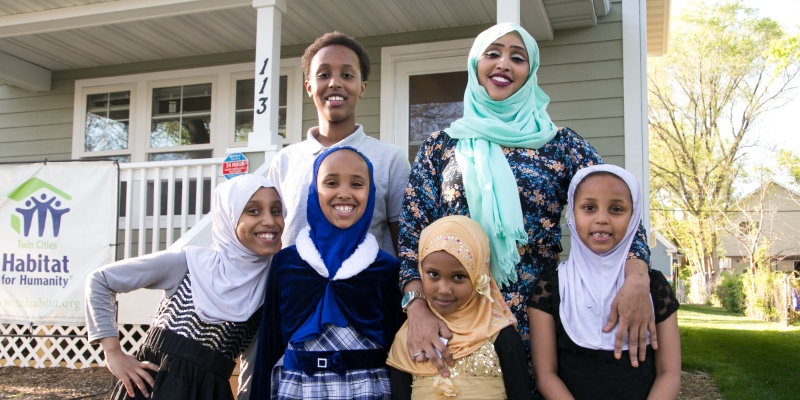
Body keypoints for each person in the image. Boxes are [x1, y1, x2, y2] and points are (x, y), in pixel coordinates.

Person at [397, 22, 655, 395]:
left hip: (538, 312)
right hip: (453, 308)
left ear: (530, 71)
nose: (504, 64)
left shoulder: (562, 145)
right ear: (475, 65)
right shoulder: (440, 146)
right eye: (493, 53)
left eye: (517, 58)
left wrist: (637, 279)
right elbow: (412, 235)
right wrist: (416, 307)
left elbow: (621, 211)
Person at [84, 174, 284, 400]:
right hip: (152, 388)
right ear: (229, 217)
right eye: (254, 211)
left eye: (276, 211)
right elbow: (100, 280)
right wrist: (113, 354)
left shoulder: (267, 288)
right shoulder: (189, 264)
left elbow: (252, 368)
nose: (270, 220)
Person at [251, 146, 402, 400]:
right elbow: (268, 345)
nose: (344, 193)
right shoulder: (285, 263)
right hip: (296, 390)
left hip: (368, 391)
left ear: (371, 192)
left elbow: (398, 353)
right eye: (331, 182)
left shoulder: (385, 268)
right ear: (314, 190)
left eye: (357, 184)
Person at [528, 165, 681, 399]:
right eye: (589, 208)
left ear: (633, 217)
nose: (602, 219)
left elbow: (669, 373)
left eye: (616, 209)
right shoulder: (551, 288)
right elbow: (546, 375)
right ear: (572, 214)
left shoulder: (654, 288)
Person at [267, 31, 410, 256]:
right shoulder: (284, 161)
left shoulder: (390, 159)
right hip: (296, 288)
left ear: (362, 87)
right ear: (309, 87)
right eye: (323, 75)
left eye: (347, 75)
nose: (335, 82)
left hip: (369, 289)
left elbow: (405, 245)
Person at [387, 215, 531, 399]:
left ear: (480, 273)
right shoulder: (409, 340)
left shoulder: (501, 337)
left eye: (458, 277)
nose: (444, 289)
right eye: (433, 274)